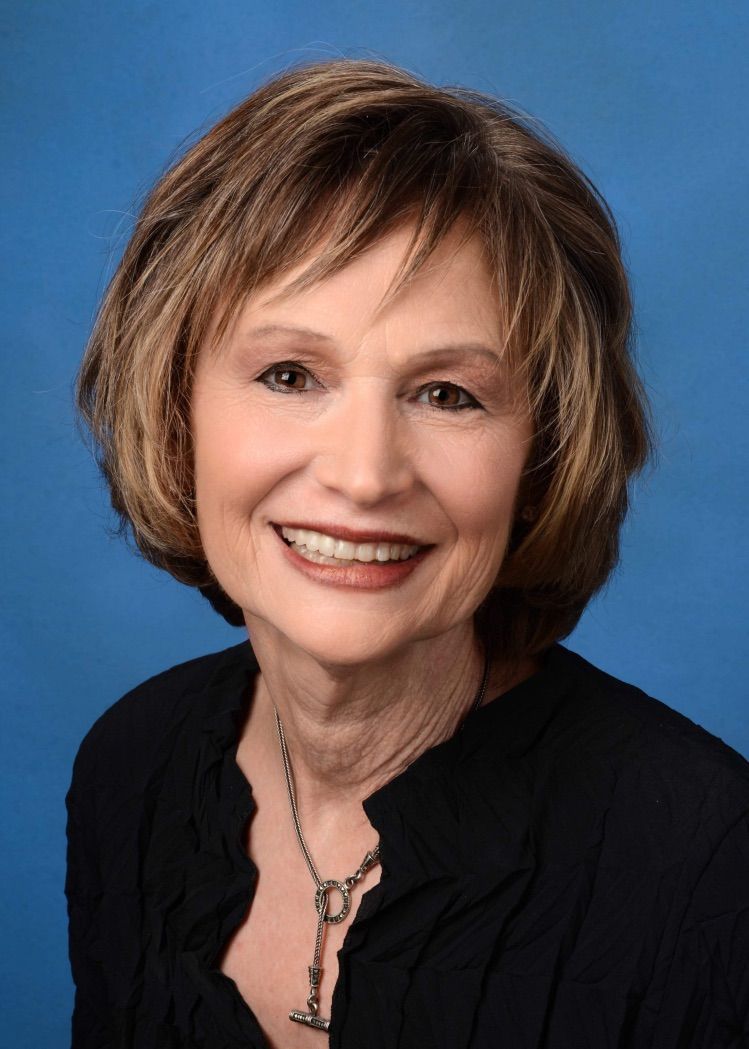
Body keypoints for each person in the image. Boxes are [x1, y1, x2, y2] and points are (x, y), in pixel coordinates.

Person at [66, 58, 749, 1049]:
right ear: (177, 412)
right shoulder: (134, 764)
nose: (363, 473)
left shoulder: (705, 861)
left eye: (446, 393)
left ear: (539, 454)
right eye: (290, 373)